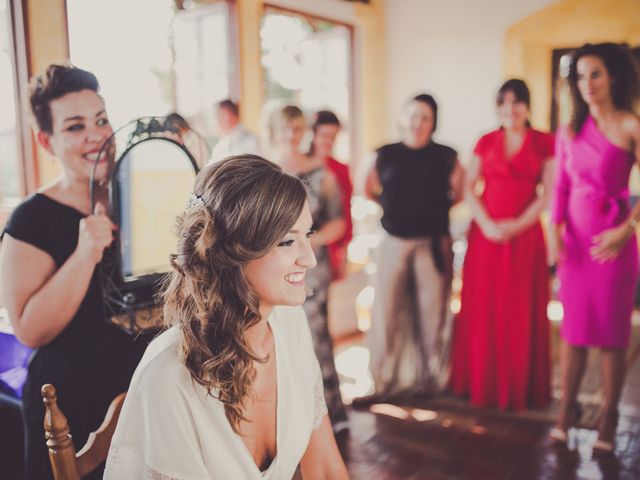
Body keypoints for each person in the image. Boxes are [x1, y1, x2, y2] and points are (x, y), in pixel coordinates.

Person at [104, 156, 349, 479]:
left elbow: (327, 469)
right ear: (233, 252)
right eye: (288, 241)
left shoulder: (291, 325)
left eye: (308, 234)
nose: (310, 259)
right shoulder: (169, 377)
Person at [0, 64, 148, 479]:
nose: (96, 135)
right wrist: (85, 253)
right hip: (69, 409)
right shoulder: (31, 220)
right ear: (46, 140)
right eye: (75, 127)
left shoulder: (137, 194)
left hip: (144, 396)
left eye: (101, 120)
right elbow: (29, 329)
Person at [549, 43, 640, 453]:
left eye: (596, 74)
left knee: (612, 336)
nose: (587, 84)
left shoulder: (631, 125)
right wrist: (553, 231)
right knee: (574, 333)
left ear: (614, 77)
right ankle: (566, 412)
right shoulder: (569, 130)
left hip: (614, 244)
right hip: (575, 248)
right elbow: (560, 187)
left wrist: (628, 228)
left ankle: (609, 416)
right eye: (581, 76)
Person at [449, 79, 554, 411]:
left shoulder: (545, 142)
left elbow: (548, 194)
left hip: (525, 239)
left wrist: (517, 225)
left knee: (520, 309)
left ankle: (521, 388)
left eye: (517, 102)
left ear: (527, 105)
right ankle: (480, 383)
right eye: (503, 103)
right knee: (484, 307)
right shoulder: (485, 140)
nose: (510, 109)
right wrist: (489, 225)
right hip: (486, 237)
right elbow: (469, 188)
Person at [357, 93, 463, 403]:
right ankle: (380, 382)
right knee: (385, 312)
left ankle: (430, 381)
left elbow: (459, 193)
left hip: (432, 242)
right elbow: (366, 189)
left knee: (433, 315)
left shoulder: (447, 155)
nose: (418, 123)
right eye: (413, 116)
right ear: (402, 118)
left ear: (433, 122)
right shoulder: (383, 154)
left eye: (425, 117)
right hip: (393, 239)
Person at [270, 105, 349, 432]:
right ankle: (285, 420)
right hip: (272, 270)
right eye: (286, 128)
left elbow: (339, 222)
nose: (292, 135)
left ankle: (330, 414)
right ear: (275, 130)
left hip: (312, 268)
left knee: (316, 338)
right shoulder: (263, 173)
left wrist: (305, 243)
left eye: (297, 129)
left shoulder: (321, 173)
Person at [308, 110, 353, 280]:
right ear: (314, 133)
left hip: (329, 245)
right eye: (324, 135)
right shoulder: (301, 166)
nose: (329, 141)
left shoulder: (340, 170)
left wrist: (344, 253)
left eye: (333, 136)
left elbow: (346, 212)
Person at [207, 99, 260, 165]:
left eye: (217, 117)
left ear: (227, 115)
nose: (215, 123)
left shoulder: (250, 140)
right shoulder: (221, 144)